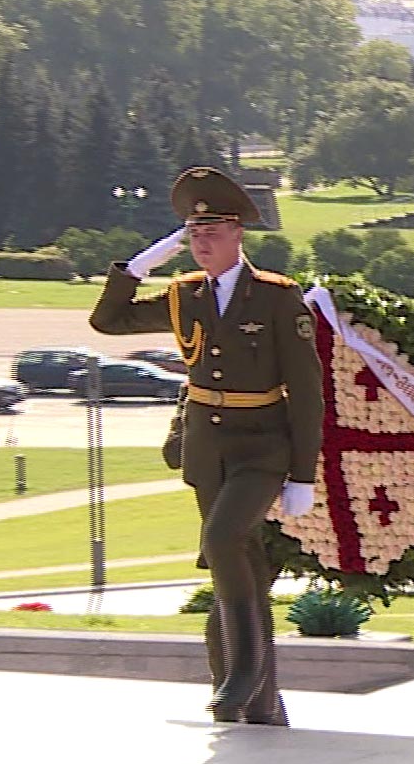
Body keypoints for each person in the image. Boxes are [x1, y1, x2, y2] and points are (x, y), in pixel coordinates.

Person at [89, 166, 324, 726]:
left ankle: (244, 669)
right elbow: (108, 321)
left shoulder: (275, 296)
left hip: (261, 445)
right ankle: (256, 695)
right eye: (193, 233)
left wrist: (302, 474)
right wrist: (137, 267)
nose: (201, 242)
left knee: (221, 537)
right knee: (234, 558)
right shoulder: (182, 296)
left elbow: (308, 390)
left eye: (212, 231)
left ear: (238, 233)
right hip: (207, 450)